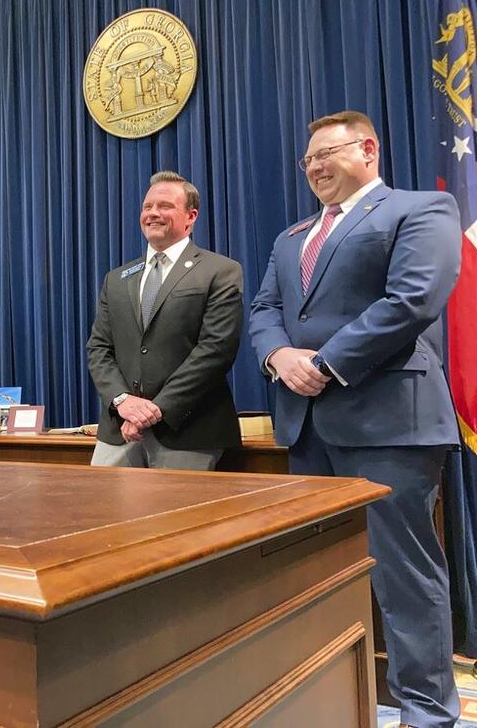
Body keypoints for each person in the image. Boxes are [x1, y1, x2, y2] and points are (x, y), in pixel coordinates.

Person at [249, 110, 461, 728]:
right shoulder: (291, 238)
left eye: (326, 153)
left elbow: (413, 298)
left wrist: (326, 362)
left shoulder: (418, 209)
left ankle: (426, 713)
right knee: (314, 575)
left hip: (387, 420)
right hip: (306, 427)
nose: (315, 167)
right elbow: (265, 308)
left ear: (368, 148)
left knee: (404, 576)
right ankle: (329, 703)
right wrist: (277, 355)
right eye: (307, 159)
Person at [86, 170, 243, 470]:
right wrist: (124, 402)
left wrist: (156, 410)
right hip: (119, 432)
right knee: (103, 515)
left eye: (165, 206)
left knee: (178, 518)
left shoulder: (220, 271)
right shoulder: (116, 279)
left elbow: (215, 350)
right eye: (147, 207)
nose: (153, 213)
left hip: (188, 432)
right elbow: (99, 349)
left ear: (191, 216)